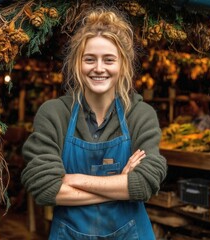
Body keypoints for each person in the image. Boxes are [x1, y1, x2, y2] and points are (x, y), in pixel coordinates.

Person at [21, 7, 167, 240]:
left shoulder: (139, 115)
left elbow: (145, 183)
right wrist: (121, 187)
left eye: (109, 60)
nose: (99, 68)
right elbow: (45, 188)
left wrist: (73, 179)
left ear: (123, 66)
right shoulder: (55, 114)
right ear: (78, 63)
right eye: (90, 59)